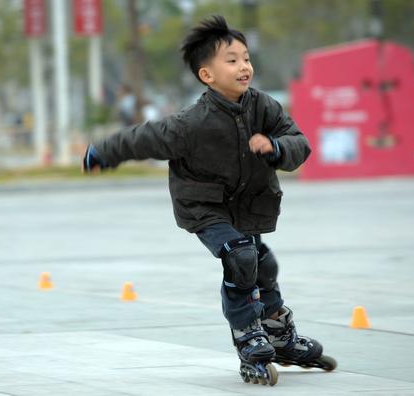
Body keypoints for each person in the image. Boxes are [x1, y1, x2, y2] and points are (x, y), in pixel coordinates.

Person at [82, 16, 335, 385]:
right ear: (207, 75)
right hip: (206, 209)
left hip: (248, 206)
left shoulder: (264, 107)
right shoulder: (191, 123)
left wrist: (277, 147)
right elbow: (144, 138)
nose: (244, 66)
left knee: (263, 263)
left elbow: (300, 142)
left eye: (245, 58)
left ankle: (278, 333)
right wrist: (102, 153)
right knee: (240, 256)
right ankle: (248, 336)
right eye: (231, 60)